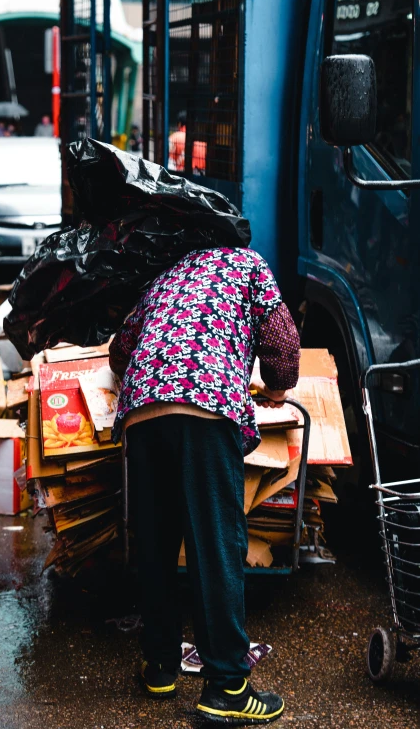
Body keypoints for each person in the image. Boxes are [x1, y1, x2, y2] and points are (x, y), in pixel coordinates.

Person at [109, 247, 300, 725]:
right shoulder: (248, 264)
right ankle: (228, 687)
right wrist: (275, 392)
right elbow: (282, 344)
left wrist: (153, 379)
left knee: (155, 542)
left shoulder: (165, 274)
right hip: (206, 406)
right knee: (216, 544)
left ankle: (159, 668)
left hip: (143, 410)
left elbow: (120, 350)